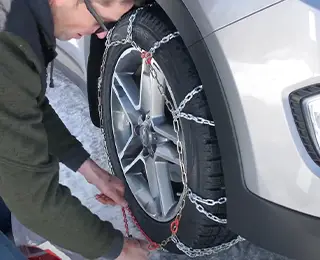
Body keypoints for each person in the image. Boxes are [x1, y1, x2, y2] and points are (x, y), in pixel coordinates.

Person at [0, 0, 150, 259]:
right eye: (103, 22)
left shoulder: (18, 21)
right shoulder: (8, 51)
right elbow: (34, 201)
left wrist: (92, 171)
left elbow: (27, 107)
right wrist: (117, 248)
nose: (103, 34)